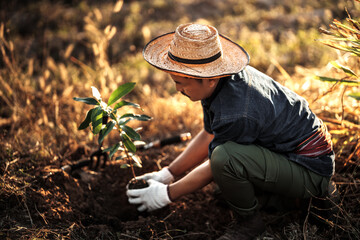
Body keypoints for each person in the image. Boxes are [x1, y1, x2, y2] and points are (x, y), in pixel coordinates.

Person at [126, 23, 335, 240]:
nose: (178, 90)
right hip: (285, 153)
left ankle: (251, 223)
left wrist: (166, 195)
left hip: (309, 169)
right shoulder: (218, 85)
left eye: (180, 83)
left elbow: (218, 162)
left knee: (226, 161)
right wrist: (168, 174)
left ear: (209, 78)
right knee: (224, 187)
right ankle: (283, 200)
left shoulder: (236, 111)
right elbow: (209, 135)